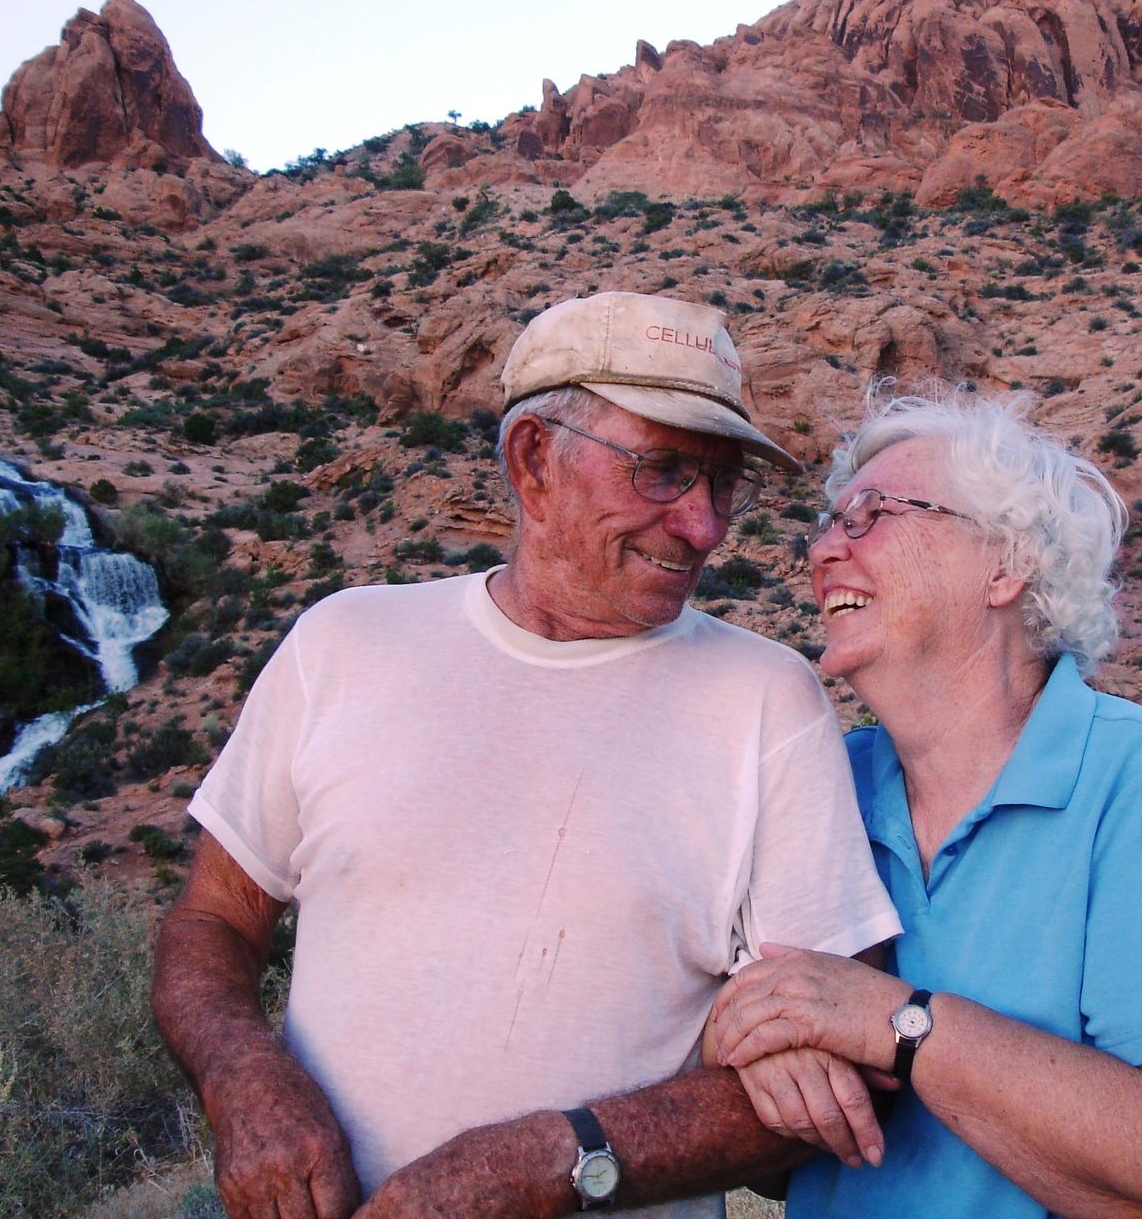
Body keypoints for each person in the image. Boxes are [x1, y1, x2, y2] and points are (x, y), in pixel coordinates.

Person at [153, 290, 901, 1219]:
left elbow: (833, 1074)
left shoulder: (765, 698)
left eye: (722, 484)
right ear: (534, 459)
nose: (705, 527)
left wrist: (554, 1161)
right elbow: (212, 924)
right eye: (664, 470)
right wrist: (243, 1080)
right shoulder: (343, 642)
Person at [709, 382, 1142, 1219]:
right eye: (826, 523)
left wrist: (895, 1021)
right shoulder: (817, 784)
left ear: (1008, 563)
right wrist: (758, 1049)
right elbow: (778, 1142)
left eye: (871, 513)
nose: (824, 552)